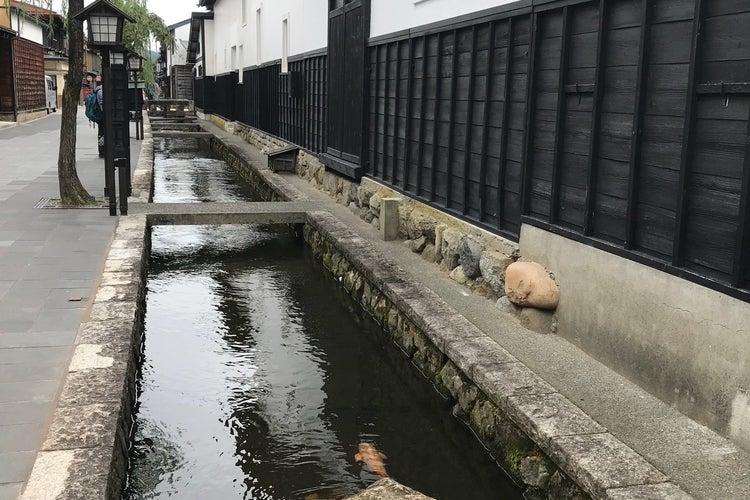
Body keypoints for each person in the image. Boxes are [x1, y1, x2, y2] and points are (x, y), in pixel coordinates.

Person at [95, 75, 104, 157]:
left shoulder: (98, 90)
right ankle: (102, 150)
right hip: (102, 115)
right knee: (102, 133)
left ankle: (102, 149)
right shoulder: (101, 91)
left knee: (101, 133)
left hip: (100, 115)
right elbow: (102, 103)